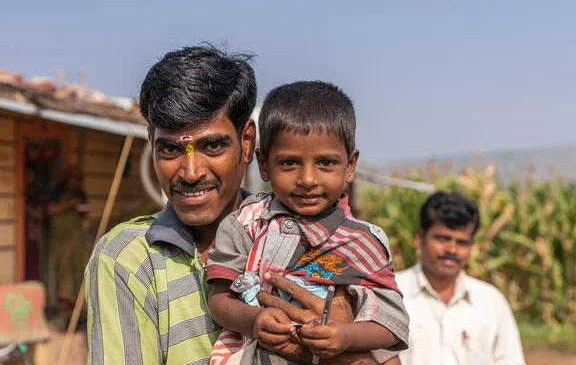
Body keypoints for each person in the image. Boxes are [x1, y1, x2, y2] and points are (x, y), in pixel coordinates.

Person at [85, 44, 387, 365]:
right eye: (170, 150)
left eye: (213, 145)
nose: (190, 173)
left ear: (246, 143)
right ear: (152, 145)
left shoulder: (324, 238)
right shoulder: (127, 259)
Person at [206, 81, 409, 364]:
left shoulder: (362, 241)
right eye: (289, 163)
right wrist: (255, 320)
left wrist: (346, 336)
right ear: (264, 164)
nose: (308, 180)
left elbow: (391, 322)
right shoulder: (246, 223)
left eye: (326, 163)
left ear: (350, 166)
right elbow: (219, 301)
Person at [394, 191, 526, 365]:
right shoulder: (391, 295)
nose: (452, 249)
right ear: (420, 238)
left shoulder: (491, 302)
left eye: (462, 242)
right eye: (443, 238)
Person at [47, 165, 88, 311]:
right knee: (62, 264)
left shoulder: (80, 193)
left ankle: (79, 300)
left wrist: (80, 208)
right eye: (72, 179)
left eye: (77, 179)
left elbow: (84, 213)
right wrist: (69, 204)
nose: (74, 182)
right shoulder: (58, 192)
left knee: (78, 264)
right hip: (60, 234)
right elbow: (50, 210)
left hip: (75, 233)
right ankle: (63, 301)